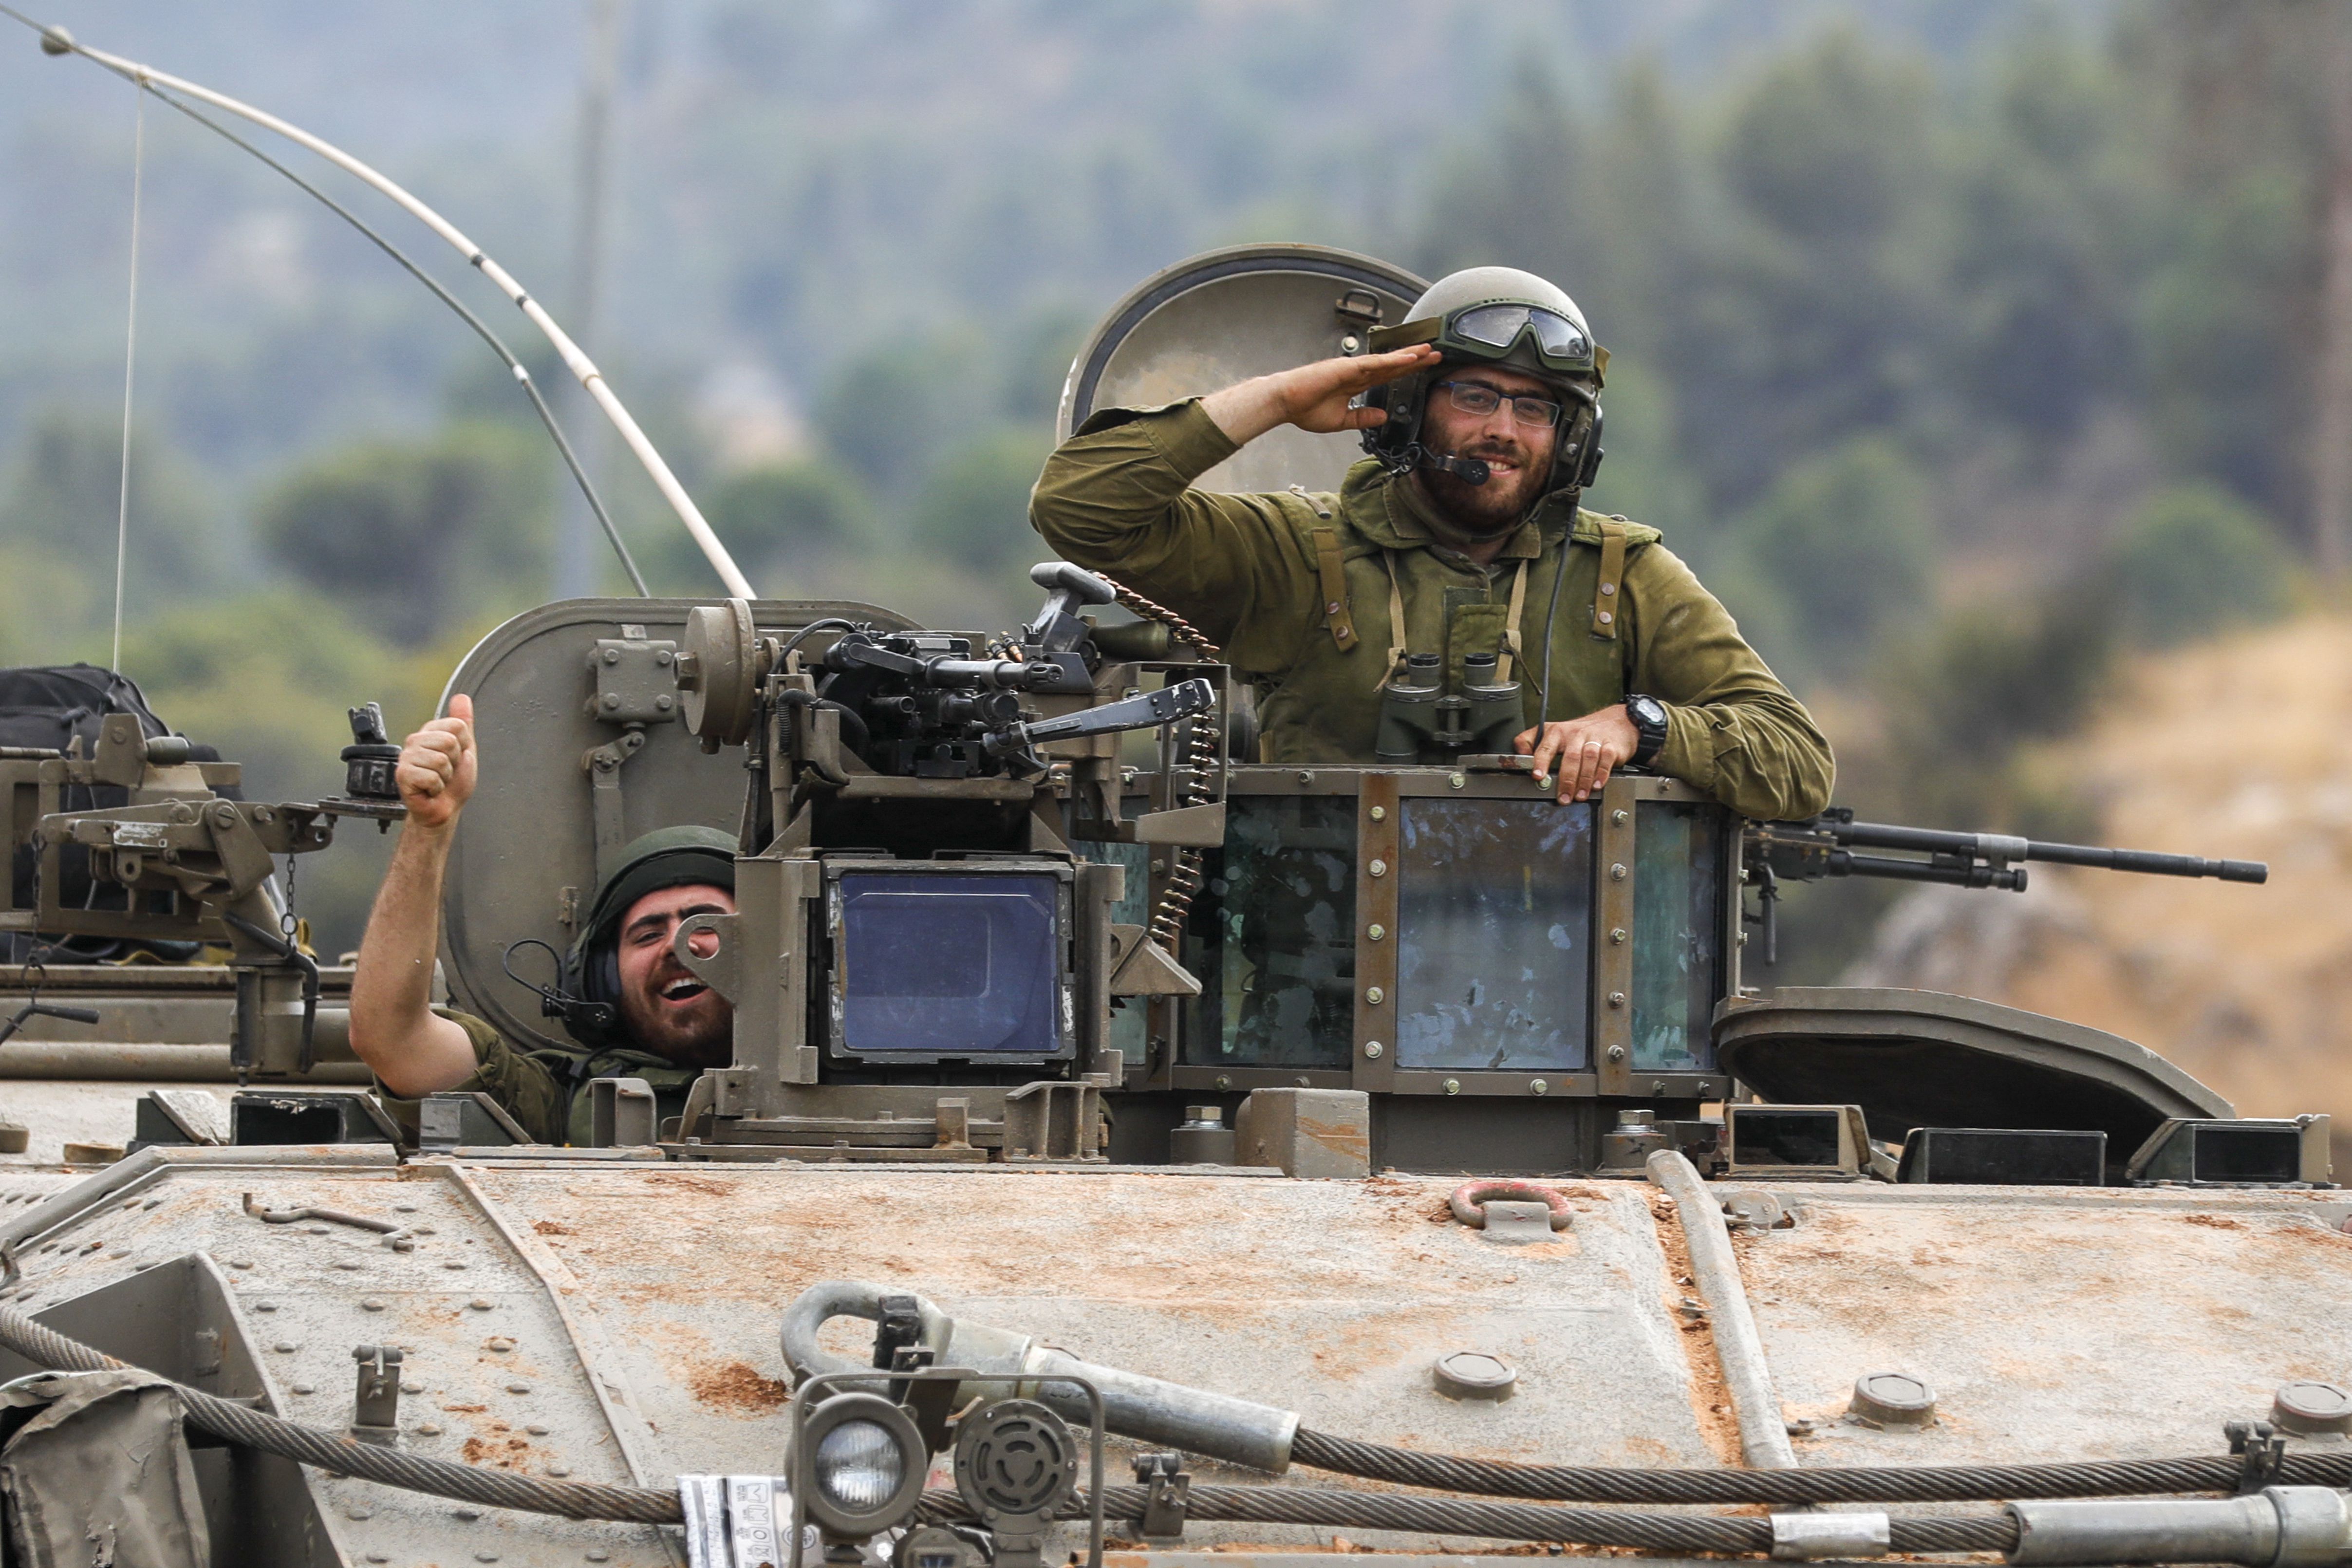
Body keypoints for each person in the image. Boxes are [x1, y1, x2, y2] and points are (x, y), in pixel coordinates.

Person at [1030, 266, 1833, 821]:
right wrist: (1275, 399)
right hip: (1309, 996)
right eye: (1475, 397)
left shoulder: (1622, 578)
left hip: (1559, 1003)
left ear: (1573, 441)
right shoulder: (1294, 553)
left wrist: (1642, 725)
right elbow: (1081, 510)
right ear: (1411, 406)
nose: (1503, 432)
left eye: (1535, 411)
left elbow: (1798, 762)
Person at [347, 694, 736, 1144]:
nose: (677, 943)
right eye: (648, 934)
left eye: (705, 923)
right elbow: (394, 1041)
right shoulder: (560, 1101)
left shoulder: (838, 1081)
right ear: (605, 980)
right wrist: (430, 828)